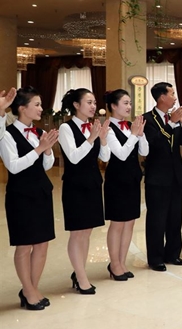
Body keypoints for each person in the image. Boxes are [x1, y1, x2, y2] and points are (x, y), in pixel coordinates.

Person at [1, 86, 58, 309]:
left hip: (41, 193)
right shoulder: (7, 135)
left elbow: (46, 166)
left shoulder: (37, 133)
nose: (41, 109)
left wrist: (47, 150)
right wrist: (39, 149)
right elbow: (13, 167)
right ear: (22, 108)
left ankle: (31, 288)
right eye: (36, 105)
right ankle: (29, 289)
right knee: (24, 246)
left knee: (42, 244)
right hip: (21, 196)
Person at [58, 88, 111, 294]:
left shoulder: (93, 127)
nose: (93, 106)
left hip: (93, 184)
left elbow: (104, 158)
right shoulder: (66, 128)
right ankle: (81, 277)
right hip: (75, 185)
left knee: (87, 232)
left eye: (94, 102)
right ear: (76, 105)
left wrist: (102, 138)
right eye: (88, 102)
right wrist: (91, 138)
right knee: (77, 233)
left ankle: (79, 271)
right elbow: (73, 157)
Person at [142, 82, 182, 272]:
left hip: (176, 175)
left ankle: (173, 254)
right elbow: (154, 143)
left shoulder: (176, 118)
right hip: (157, 176)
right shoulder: (147, 119)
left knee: (174, 217)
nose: (175, 97)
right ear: (161, 97)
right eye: (172, 93)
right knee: (157, 219)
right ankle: (155, 258)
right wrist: (172, 123)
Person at [104, 89, 148, 280]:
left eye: (130, 103)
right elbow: (120, 154)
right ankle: (114, 264)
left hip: (132, 178)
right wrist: (133, 134)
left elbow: (144, 151)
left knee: (130, 222)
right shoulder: (108, 127)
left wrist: (140, 134)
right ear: (114, 106)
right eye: (125, 103)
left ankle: (121, 262)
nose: (129, 106)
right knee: (117, 223)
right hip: (116, 179)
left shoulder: (131, 126)